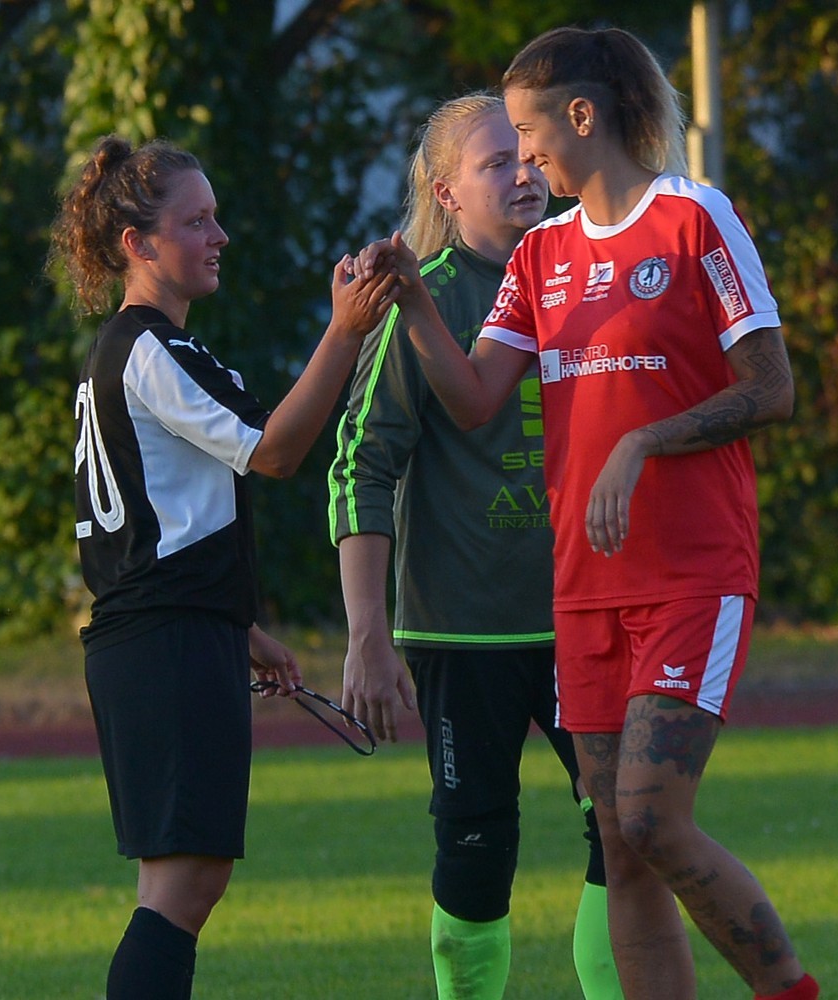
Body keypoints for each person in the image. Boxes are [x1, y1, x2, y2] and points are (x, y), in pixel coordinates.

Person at [356, 26, 819, 1000]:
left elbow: (771, 388)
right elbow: (474, 398)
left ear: (581, 116)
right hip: (583, 591)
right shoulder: (542, 256)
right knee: (619, 839)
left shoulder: (693, 217)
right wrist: (415, 304)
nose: (525, 161)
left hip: (690, 574)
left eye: (528, 136)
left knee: (650, 817)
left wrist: (643, 441)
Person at [49, 134, 396, 1000]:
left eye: (215, 216)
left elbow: (160, 517)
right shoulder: (148, 348)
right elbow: (274, 452)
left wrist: (238, 627)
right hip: (161, 643)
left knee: (180, 883)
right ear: (138, 244)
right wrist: (344, 331)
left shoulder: (146, 348)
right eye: (196, 221)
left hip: (169, 634)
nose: (219, 235)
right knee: (185, 885)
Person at [328, 93, 622, 1000]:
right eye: (496, 162)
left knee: (629, 826)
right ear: (446, 193)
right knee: (476, 843)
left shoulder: (594, 272)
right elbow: (360, 465)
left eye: (527, 154)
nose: (523, 174)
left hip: (587, 618)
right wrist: (367, 635)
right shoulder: (419, 301)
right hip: (463, 630)